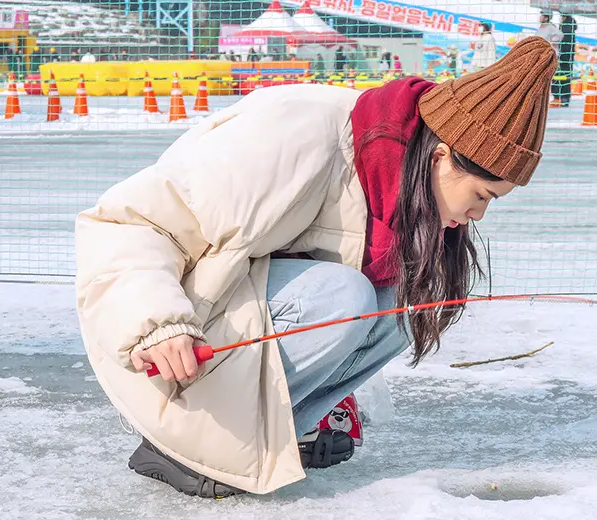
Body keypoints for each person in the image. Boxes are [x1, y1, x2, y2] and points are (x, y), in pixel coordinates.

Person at [75, 37, 557, 499]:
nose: (478, 216)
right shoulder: (296, 135)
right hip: (162, 349)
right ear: (440, 157)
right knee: (343, 297)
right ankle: (183, 444)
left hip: (224, 324)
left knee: (410, 302)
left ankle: (270, 436)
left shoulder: (395, 173)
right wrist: (159, 325)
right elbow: (131, 223)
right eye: (481, 196)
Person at [534, 12, 562, 104]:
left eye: (542, 15)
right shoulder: (541, 28)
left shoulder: (550, 27)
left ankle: (556, 98)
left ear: (546, 18)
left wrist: (551, 44)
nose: (540, 17)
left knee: (548, 76)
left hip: (548, 55)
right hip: (539, 55)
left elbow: (560, 35)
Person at [555, 14, 577, 107]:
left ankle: (561, 98)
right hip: (568, 57)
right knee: (566, 78)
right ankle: (565, 98)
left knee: (561, 77)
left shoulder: (565, 28)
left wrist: (559, 54)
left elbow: (563, 44)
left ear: (564, 18)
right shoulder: (570, 28)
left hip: (564, 57)